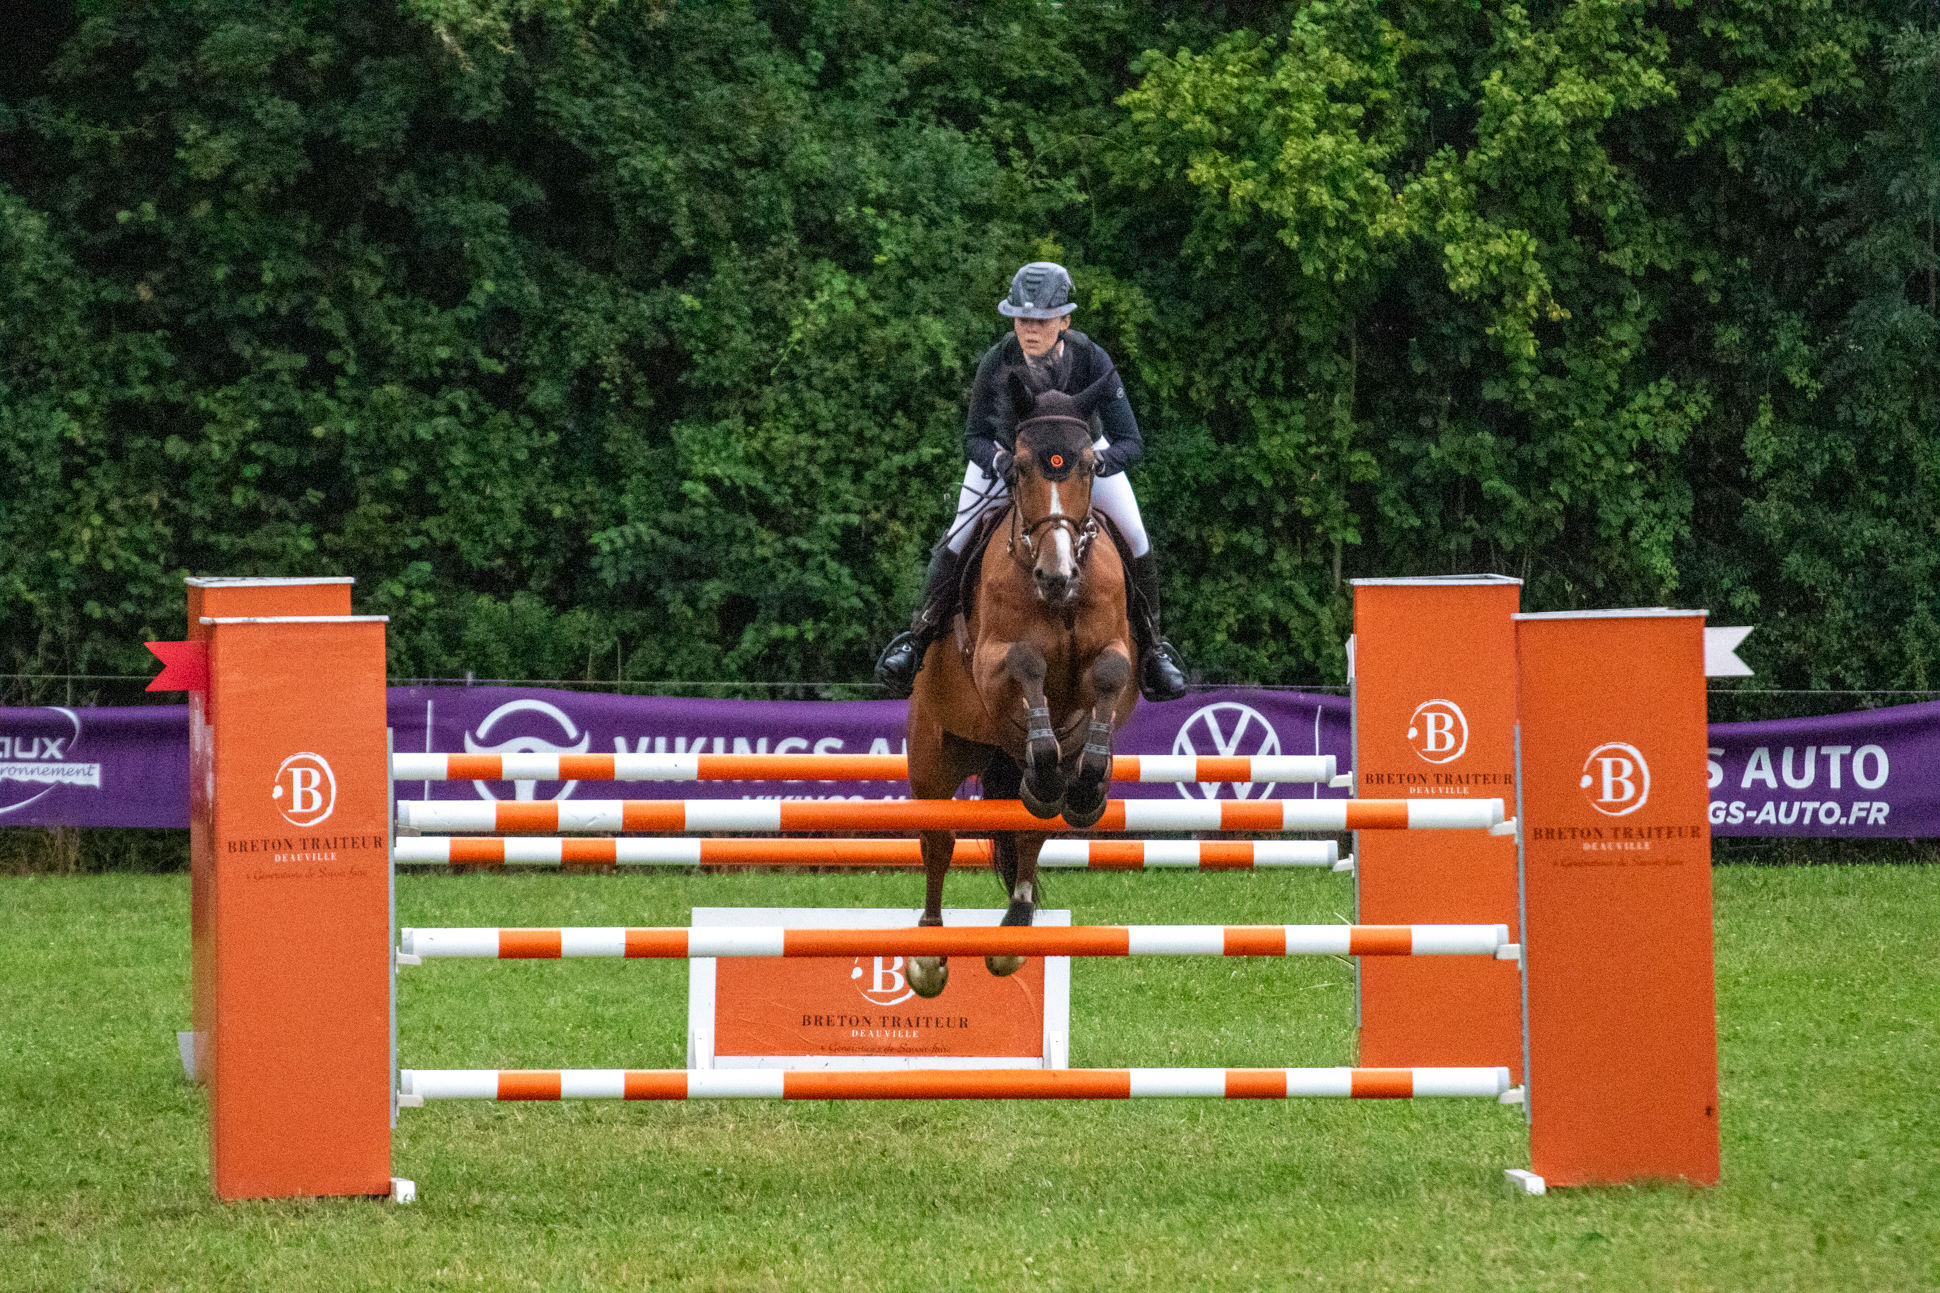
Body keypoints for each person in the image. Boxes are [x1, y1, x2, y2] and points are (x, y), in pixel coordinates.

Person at [874, 261, 1189, 702]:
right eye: (1022, 320)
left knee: (1135, 534)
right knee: (958, 534)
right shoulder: (998, 359)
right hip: (1012, 459)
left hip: (1078, 463)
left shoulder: (1091, 358)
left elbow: (1130, 440)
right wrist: (998, 459)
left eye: (1041, 320)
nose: (1030, 330)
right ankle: (917, 639)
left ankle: (1154, 649)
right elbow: (973, 437)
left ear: (1065, 321)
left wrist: (1098, 462)